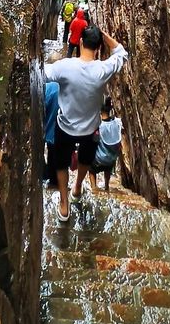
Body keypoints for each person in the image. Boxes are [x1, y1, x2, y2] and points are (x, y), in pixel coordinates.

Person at [44, 25, 128, 223]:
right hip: (90, 129)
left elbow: (43, 73)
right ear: (99, 48)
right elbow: (122, 53)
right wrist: (106, 37)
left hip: (65, 126)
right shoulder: (102, 70)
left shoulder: (64, 67)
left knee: (61, 162)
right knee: (85, 159)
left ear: (81, 43)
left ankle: (64, 205)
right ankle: (78, 186)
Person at [89, 96, 122, 194]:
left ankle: (94, 187)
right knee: (108, 167)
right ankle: (107, 186)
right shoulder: (117, 123)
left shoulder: (98, 126)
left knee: (91, 168)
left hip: (99, 159)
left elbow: (94, 140)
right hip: (112, 159)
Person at [43, 81, 59, 187]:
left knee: (51, 154)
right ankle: (56, 182)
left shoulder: (50, 87)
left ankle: (48, 178)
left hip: (49, 130)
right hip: (66, 132)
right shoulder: (71, 87)